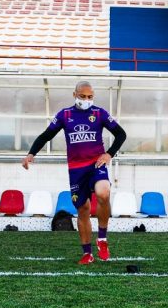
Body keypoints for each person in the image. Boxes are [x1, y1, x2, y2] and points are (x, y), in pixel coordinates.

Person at [22, 80, 127, 264]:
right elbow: (46, 135)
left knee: (104, 193)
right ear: (74, 94)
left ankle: (102, 239)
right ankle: (87, 253)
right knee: (83, 209)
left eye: (90, 97)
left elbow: (121, 134)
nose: (87, 100)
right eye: (83, 96)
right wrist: (31, 154)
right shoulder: (65, 114)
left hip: (96, 165)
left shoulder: (99, 113)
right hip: (76, 170)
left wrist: (109, 154)